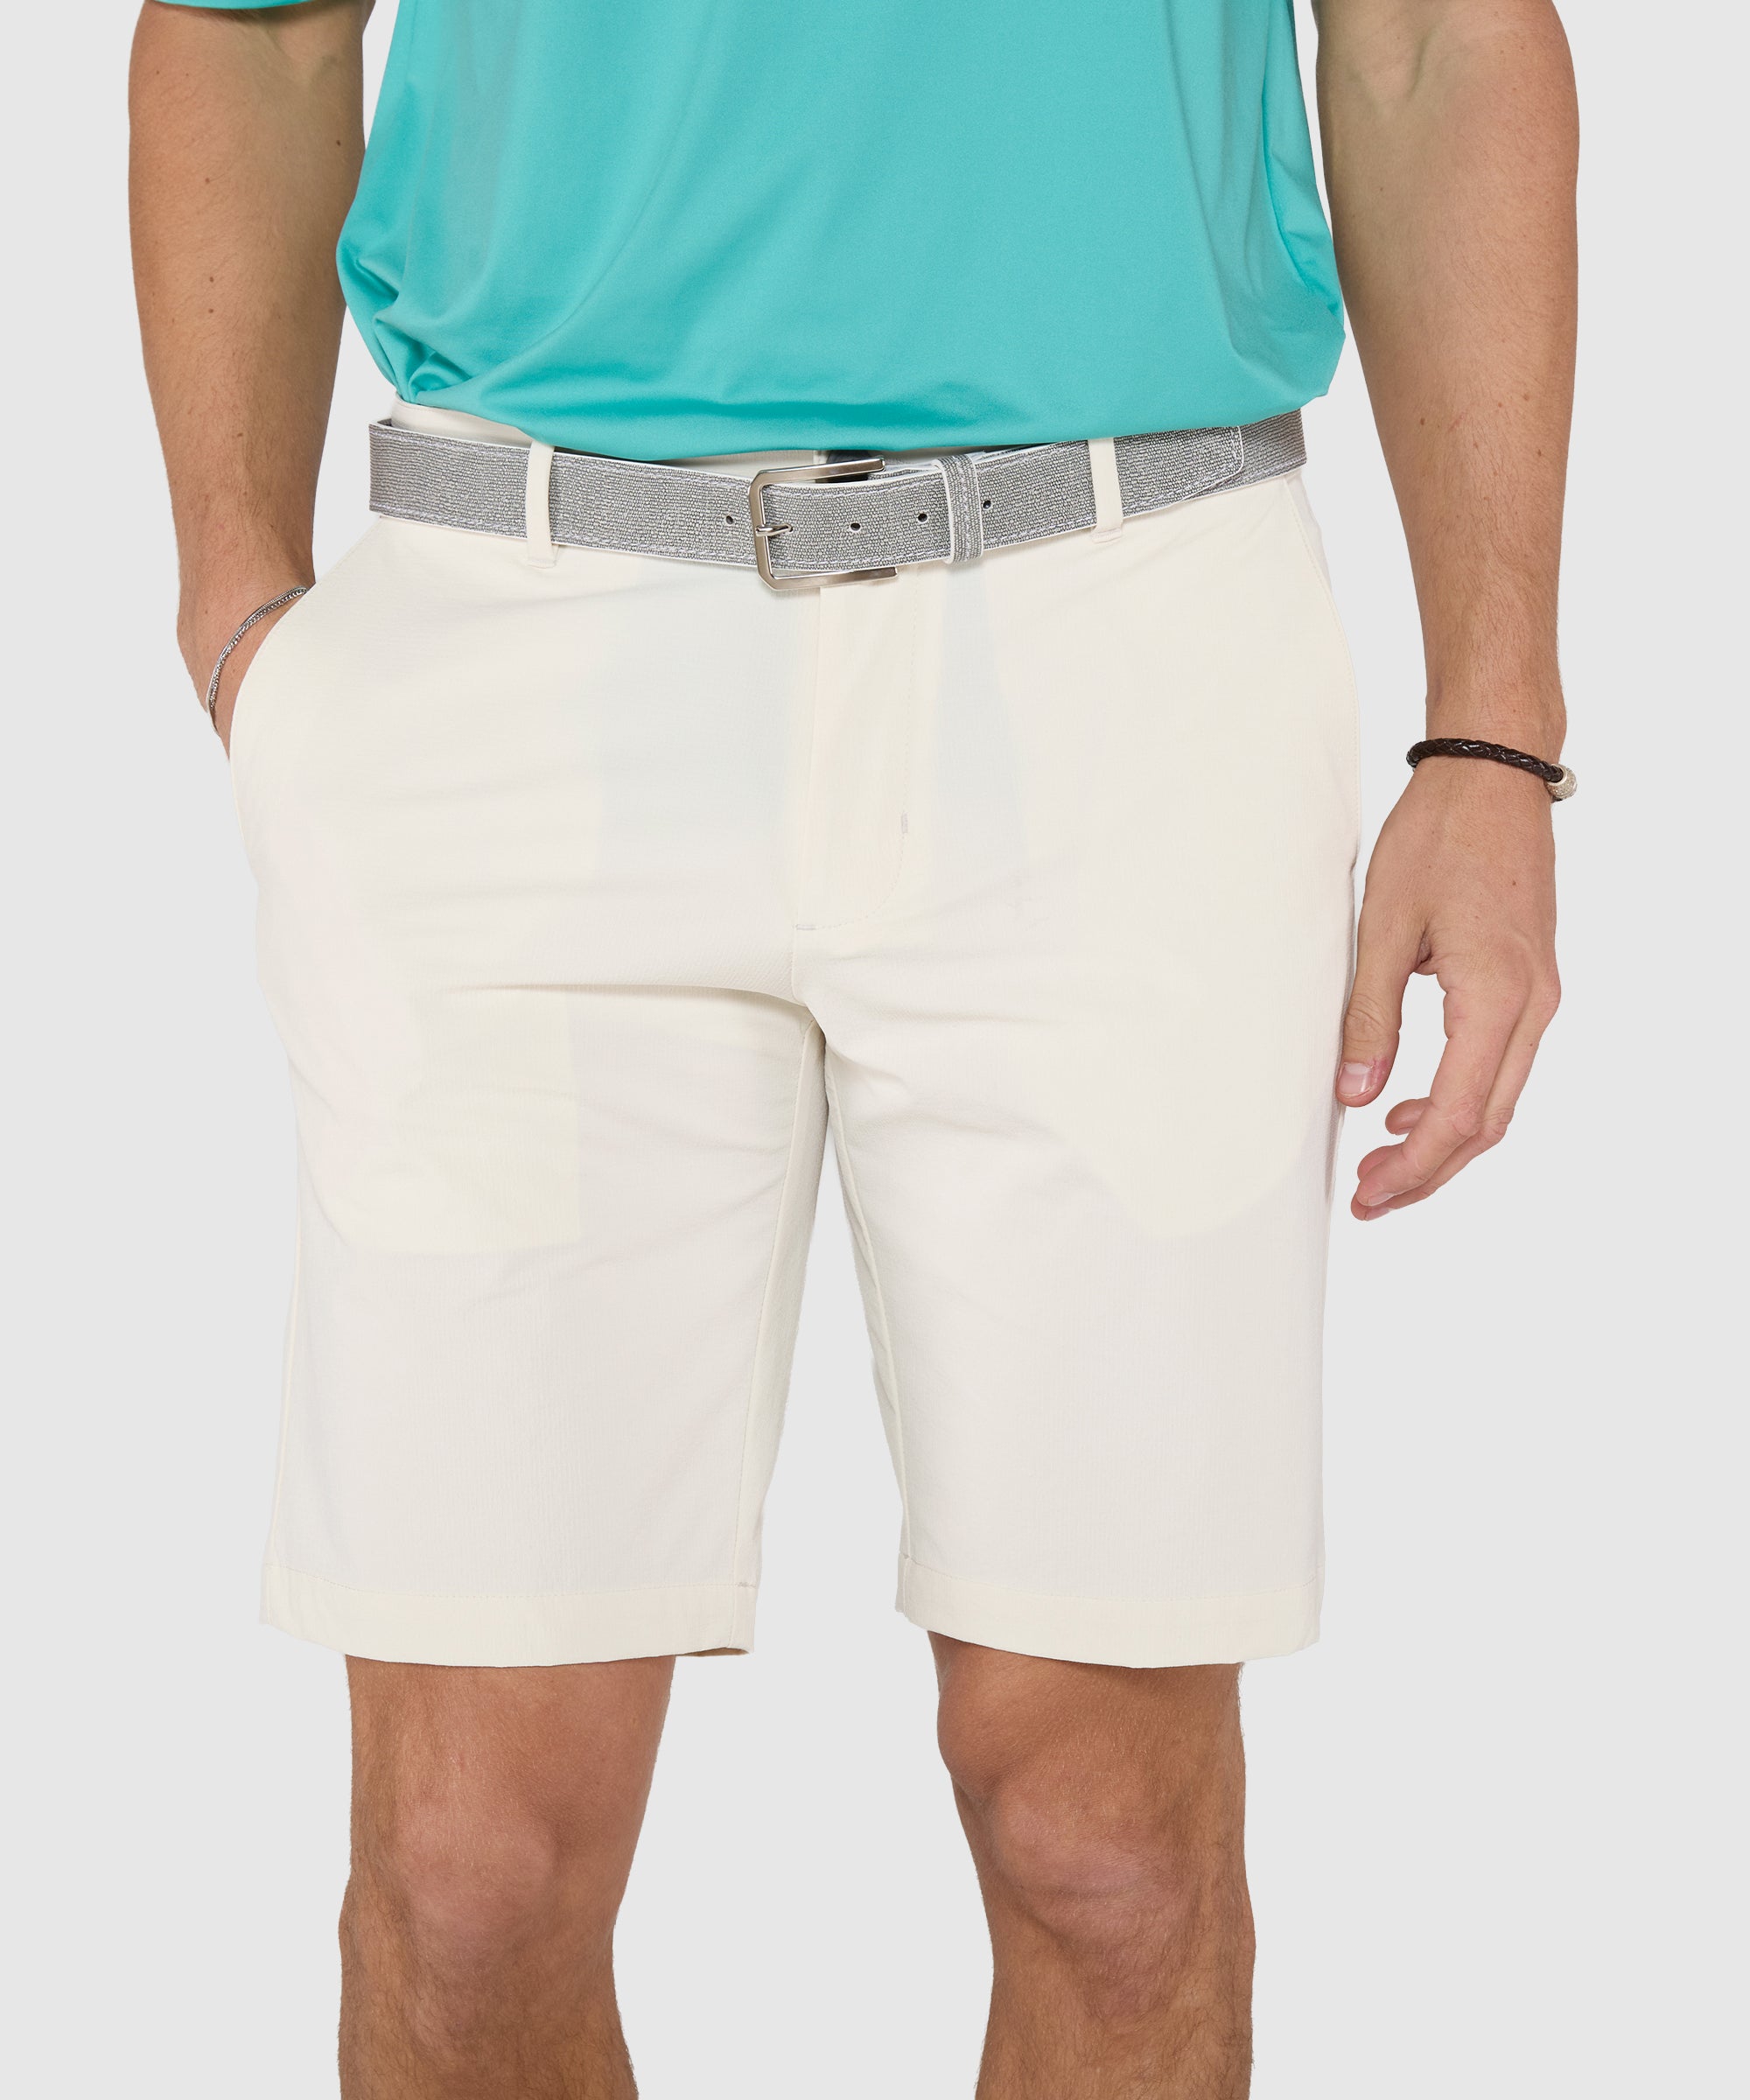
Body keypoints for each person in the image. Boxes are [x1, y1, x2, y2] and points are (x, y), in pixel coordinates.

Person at [130, 2, 1577, 2093]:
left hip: (1125, 641)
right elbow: (247, 30)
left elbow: (1433, 37)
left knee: (1105, 1849)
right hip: (519, 637)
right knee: (469, 1874)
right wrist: (235, 606)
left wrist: (1492, 735)